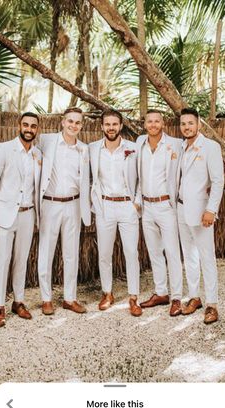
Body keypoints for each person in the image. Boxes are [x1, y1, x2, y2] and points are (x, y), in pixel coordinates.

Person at [38, 107, 91, 315]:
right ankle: (46, 298)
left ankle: (70, 298)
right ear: (62, 121)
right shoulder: (46, 141)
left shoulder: (84, 149)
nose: (73, 125)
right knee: (46, 251)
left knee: (71, 253)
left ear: (81, 125)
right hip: (50, 203)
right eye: (70, 121)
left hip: (74, 204)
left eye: (77, 122)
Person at [89, 110, 142, 316]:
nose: (111, 128)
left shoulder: (133, 148)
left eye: (114, 124)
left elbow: (141, 176)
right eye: (107, 124)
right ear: (102, 126)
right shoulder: (93, 149)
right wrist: (94, 203)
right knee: (104, 253)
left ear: (121, 126)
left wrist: (137, 202)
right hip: (105, 207)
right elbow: (88, 178)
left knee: (131, 253)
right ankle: (107, 293)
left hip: (127, 206)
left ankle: (133, 297)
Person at [177, 108, 224, 324]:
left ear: (198, 124)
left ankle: (212, 303)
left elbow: (217, 181)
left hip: (201, 211)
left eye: (190, 123)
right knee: (189, 256)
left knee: (207, 256)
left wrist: (211, 210)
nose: (187, 127)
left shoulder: (210, 147)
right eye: (183, 123)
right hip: (180, 208)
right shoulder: (180, 146)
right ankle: (194, 296)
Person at [136, 110, 183, 316]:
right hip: (146, 207)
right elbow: (137, 174)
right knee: (154, 252)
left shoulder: (175, 145)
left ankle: (177, 297)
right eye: (149, 121)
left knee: (172, 252)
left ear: (163, 123)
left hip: (166, 206)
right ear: (144, 124)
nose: (153, 124)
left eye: (157, 121)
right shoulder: (139, 143)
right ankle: (161, 292)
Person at [0, 112, 41, 327]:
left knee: (21, 260)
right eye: (26, 125)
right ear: (19, 126)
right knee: (1, 261)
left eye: (33, 126)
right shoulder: (3, 149)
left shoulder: (38, 155)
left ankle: (19, 301)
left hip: (28, 213)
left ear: (37, 129)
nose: (29, 129)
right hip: (4, 215)